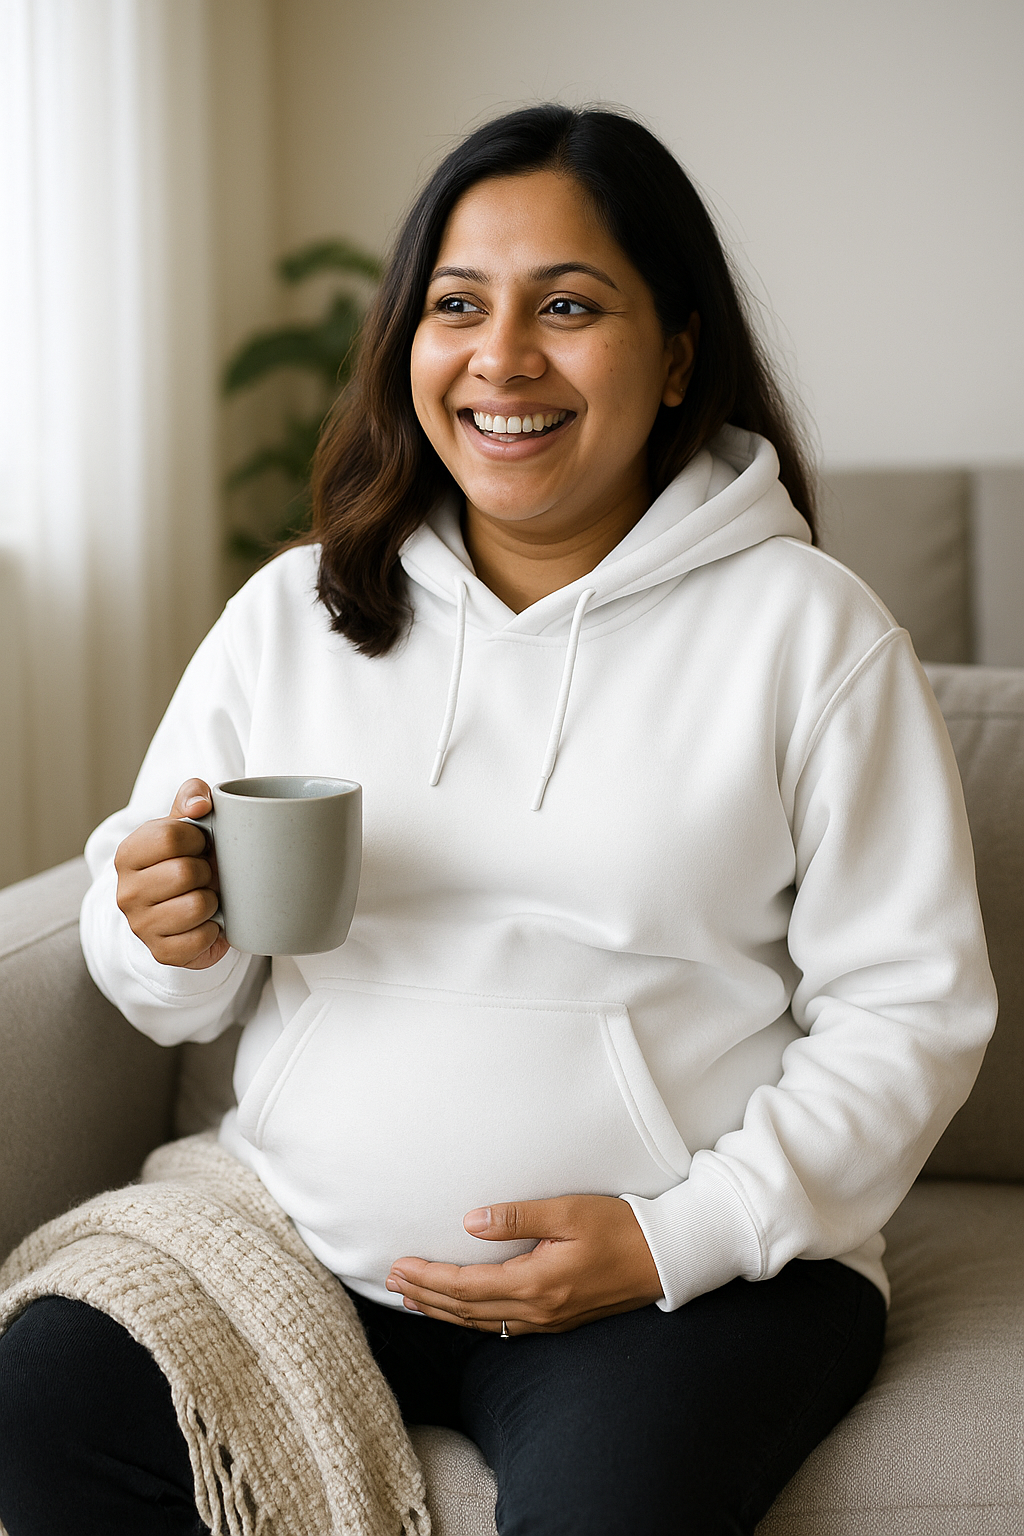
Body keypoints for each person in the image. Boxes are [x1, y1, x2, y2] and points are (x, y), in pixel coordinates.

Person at [0, 104, 997, 1536]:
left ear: (677, 355)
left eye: (570, 306)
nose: (502, 357)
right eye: (456, 306)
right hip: (306, 1243)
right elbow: (167, 988)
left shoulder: (809, 634)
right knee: (41, 1403)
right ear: (409, 345)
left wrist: (670, 1239)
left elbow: (913, 1014)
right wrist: (154, 921)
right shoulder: (298, 614)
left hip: (681, 1286)